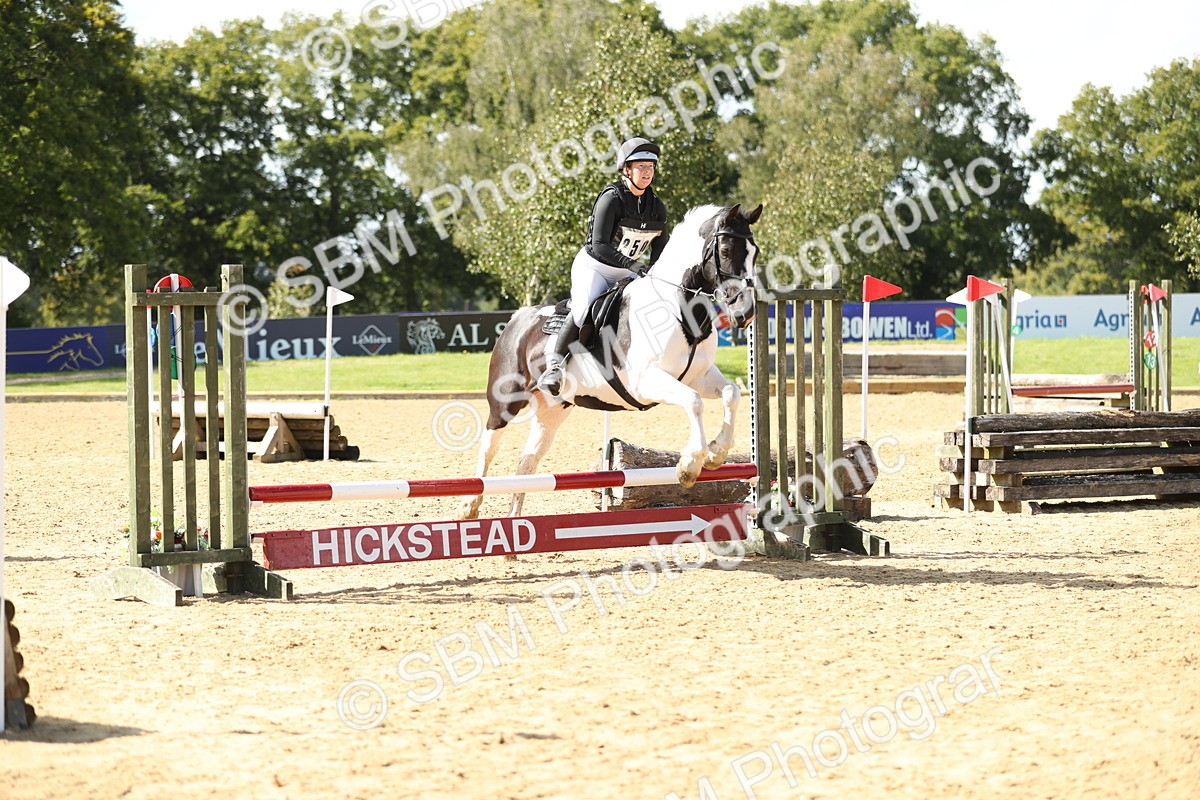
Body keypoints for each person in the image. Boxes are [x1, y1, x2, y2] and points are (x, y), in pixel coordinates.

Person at [537, 136, 671, 396]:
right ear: (626, 169)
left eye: (650, 167)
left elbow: (660, 248)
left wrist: (654, 273)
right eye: (641, 166)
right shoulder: (611, 199)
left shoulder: (656, 206)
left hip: (629, 270)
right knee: (583, 310)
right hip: (595, 266)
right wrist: (633, 265)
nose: (647, 172)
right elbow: (599, 245)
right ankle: (554, 367)